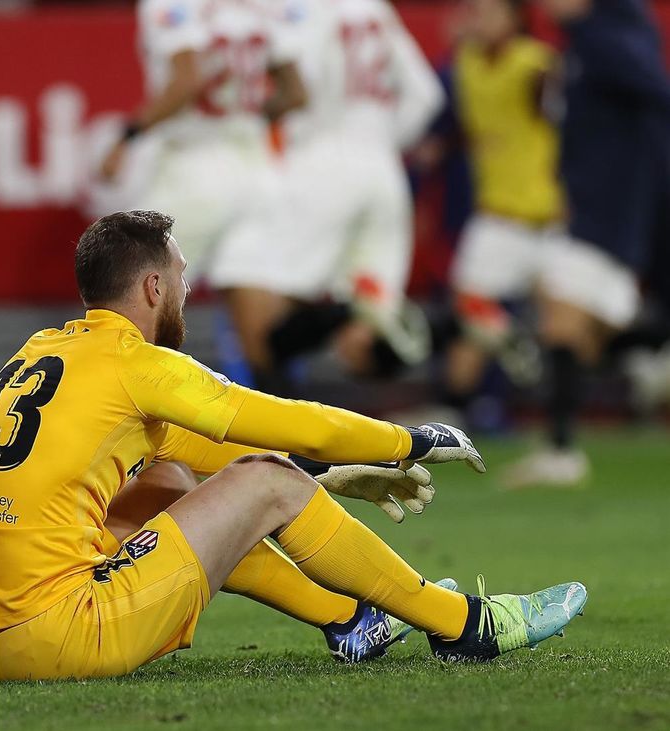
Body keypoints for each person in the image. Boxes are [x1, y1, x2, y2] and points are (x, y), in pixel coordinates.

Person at [0, 210, 585, 680]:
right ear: (151, 287)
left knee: (165, 484)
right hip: (64, 632)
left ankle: (351, 621)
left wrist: (334, 472)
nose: (186, 292)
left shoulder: (44, 352)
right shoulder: (138, 365)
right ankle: (466, 627)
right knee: (266, 481)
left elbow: (195, 454)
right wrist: (406, 441)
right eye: (181, 278)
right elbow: (293, 427)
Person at [501, 0, 670, 487]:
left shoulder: (606, 40)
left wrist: (641, 189)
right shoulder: (589, 41)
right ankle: (648, 360)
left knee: (560, 318)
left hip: (612, 209)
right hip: (599, 204)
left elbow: (656, 95)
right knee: (580, 329)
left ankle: (561, 450)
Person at [235, 0, 443, 393]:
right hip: (384, 170)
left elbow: (297, 85)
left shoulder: (304, 8)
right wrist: (380, 141)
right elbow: (426, 95)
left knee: (263, 318)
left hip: (321, 161)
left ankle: (274, 439)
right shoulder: (374, 9)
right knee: (368, 314)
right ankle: (366, 439)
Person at [99, 0, 307, 392]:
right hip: (257, 169)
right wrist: (241, 118)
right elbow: (295, 93)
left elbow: (188, 81)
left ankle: (122, 421)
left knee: (135, 304)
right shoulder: (261, 7)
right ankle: (281, 445)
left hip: (193, 166)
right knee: (259, 331)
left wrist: (126, 138)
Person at [435, 0, 560, 419]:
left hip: (549, 214)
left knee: (570, 322)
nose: (479, 20)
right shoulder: (467, 61)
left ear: (516, 20)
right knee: (469, 311)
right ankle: (456, 407)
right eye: (475, 12)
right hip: (497, 214)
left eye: (490, 13)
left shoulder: (536, 64)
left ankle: (643, 358)